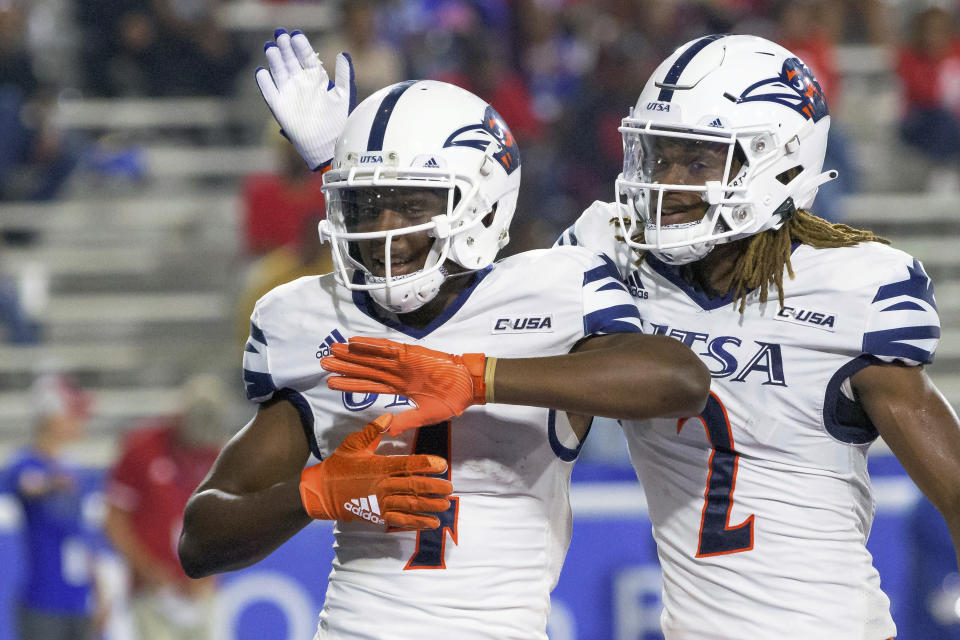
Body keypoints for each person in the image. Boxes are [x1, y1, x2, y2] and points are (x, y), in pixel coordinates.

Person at [178, 29, 710, 639]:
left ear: (481, 207)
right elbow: (200, 538)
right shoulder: (317, 318)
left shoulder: (552, 292)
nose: (383, 233)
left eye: (410, 206)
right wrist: (315, 493)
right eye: (365, 207)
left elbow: (678, 381)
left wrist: (475, 377)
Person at [550, 34, 960, 637]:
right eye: (659, 157)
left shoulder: (849, 288)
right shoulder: (610, 256)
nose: (669, 183)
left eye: (698, 161)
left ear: (783, 162)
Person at [104, 374, 227, 640]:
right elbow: (114, 519)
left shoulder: (216, 453)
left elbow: (226, 523)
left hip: (199, 593)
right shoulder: (142, 447)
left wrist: (209, 571)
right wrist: (146, 567)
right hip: (153, 592)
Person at [3, 374, 105, 640]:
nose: (79, 421)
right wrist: (51, 483)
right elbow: (27, 485)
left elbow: (81, 537)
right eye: (71, 414)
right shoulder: (24, 463)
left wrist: (99, 590)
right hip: (42, 599)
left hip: (78, 598)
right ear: (51, 418)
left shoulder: (72, 468)